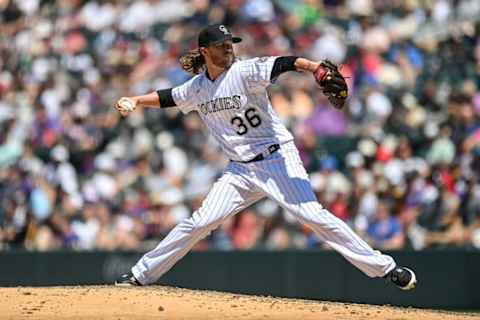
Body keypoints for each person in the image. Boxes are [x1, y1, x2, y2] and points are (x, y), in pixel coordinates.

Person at [113, 24, 417, 290]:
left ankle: (386, 268)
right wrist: (137, 100)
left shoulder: (244, 71)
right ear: (205, 51)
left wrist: (314, 68)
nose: (228, 49)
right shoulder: (197, 88)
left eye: (230, 43)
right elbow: (169, 97)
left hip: (277, 159)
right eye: (221, 45)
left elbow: (284, 63)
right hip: (240, 171)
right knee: (199, 223)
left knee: (313, 215)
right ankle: (140, 275)